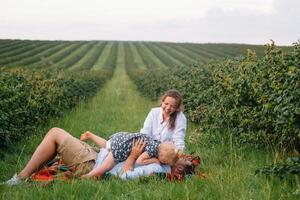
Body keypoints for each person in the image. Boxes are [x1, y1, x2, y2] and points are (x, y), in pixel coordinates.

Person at [2, 127, 167, 185]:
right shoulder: (157, 155)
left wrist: (133, 156)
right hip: (98, 156)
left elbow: (124, 177)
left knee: (55, 133)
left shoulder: (156, 166)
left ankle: (20, 178)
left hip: (93, 165)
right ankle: (26, 174)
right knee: (57, 136)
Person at [80, 131, 179, 179]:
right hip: (122, 148)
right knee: (106, 166)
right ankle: (88, 176)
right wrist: (154, 161)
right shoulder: (153, 150)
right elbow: (140, 161)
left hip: (122, 138)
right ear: (161, 155)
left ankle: (90, 135)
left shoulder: (157, 143)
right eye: (165, 161)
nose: (164, 163)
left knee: (107, 145)